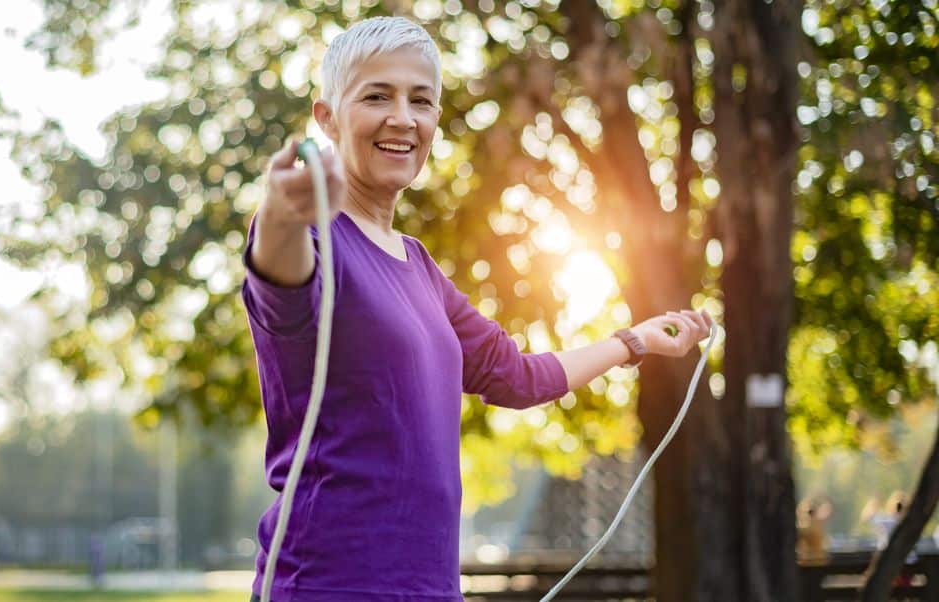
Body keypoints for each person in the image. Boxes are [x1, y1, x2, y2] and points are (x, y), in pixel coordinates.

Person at [240, 15, 714, 602]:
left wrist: (634, 340)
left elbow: (517, 377)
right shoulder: (310, 237)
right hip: (327, 586)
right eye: (377, 96)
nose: (403, 118)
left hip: (430, 589)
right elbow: (276, 271)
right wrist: (283, 210)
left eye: (422, 100)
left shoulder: (420, 268)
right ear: (327, 118)